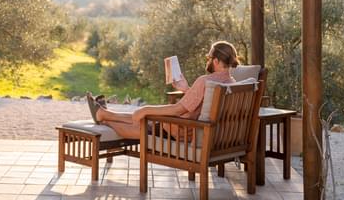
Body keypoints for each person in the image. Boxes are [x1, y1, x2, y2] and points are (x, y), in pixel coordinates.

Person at [86, 40, 239, 139]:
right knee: (147, 117)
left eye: (209, 58)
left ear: (217, 61)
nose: (208, 61)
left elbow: (177, 110)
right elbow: (205, 104)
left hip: (185, 131)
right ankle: (104, 114)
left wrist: (146, 109)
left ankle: (105, 121)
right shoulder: (233, 84)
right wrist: (187, 89)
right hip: (205, 131)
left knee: (145, 121)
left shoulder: (205, 80)